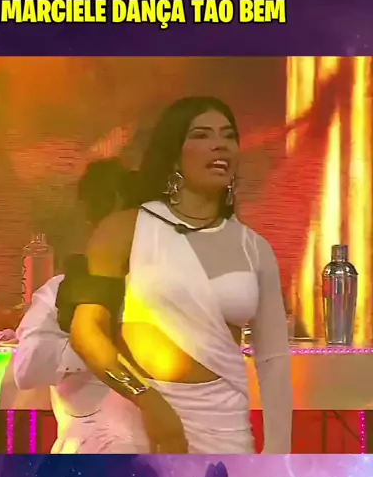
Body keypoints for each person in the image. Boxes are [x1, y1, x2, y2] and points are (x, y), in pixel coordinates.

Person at [70, 96, 293, 454]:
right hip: (141, 423)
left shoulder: (254, 248)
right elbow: (87, 331)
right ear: (174, 153)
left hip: (226, 429)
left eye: (228, 135)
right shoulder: (126, 230)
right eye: (202, 135)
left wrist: (279, 453)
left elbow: (274, 360)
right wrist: (148, 401)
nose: (219, 144)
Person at [10, 158, 149, 453]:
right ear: (93, 227)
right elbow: (26, 367)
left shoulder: (171, 292)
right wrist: (97, 343)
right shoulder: (61, 291)